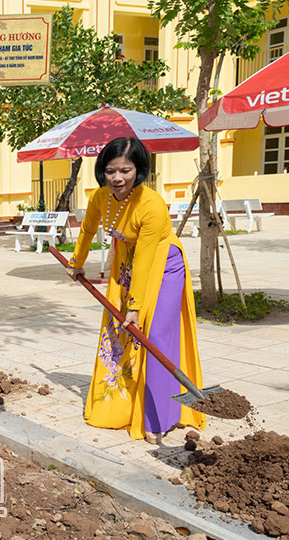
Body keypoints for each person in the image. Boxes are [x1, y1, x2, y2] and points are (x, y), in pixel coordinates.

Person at [65, 137, 206, 443]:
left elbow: (145, 258)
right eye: (110, 170)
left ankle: (160, 417)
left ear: (139, 170)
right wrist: (76, 263)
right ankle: (121, 406)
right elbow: (88, 229)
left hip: (164, 266)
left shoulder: (151, 204)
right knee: (119, 334)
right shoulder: (101, 197)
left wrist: (134, 308)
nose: (117, 178)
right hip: (128, 263)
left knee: (152, 336)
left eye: (125, 170)